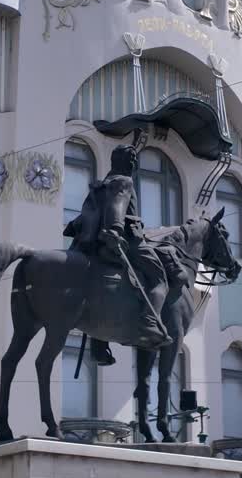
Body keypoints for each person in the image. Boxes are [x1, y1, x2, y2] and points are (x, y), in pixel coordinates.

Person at [63, 141, 170, 366]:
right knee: (160, 278)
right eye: (132, 161)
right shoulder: (123, 181)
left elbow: (87, 213)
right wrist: (115, 230)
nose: (134, 164)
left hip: (91, 243)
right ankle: (150, 323)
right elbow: (117, 206)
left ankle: (99, 346)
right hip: (126, 239)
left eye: (135, 161)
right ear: (123, 162)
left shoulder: (101, 184)